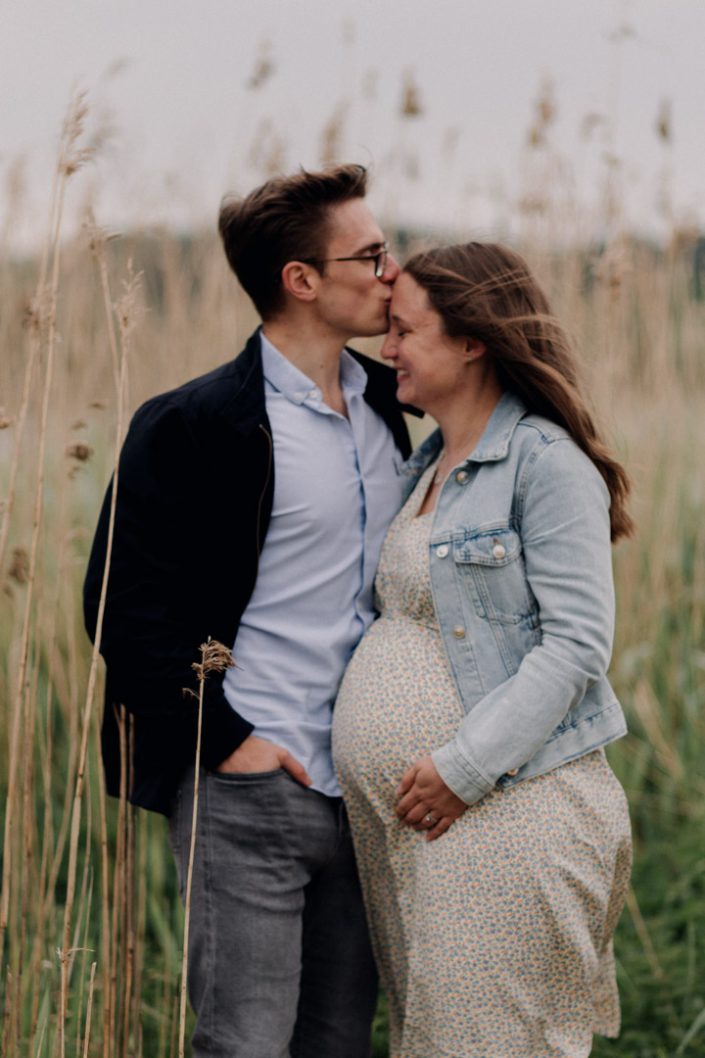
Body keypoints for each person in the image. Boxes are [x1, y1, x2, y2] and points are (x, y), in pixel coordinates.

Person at [83, 164, 414, 1058]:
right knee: (242, 1045)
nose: (393, 273)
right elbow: (122, 608)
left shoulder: (392, 403)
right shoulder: (192, 424)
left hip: (367, 785)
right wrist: (227, 738)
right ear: (300, 280)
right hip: (250, 784)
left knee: (339, 1042)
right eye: (372, 256)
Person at [333, 242, 633, 1058]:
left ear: (472, 339)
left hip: (505, 812)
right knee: (434, 1040)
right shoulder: (424, 467)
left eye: (404, 331)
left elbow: (576, 648)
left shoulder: (544, 463)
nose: (385, 349)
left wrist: (462, 769)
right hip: (422, 831)